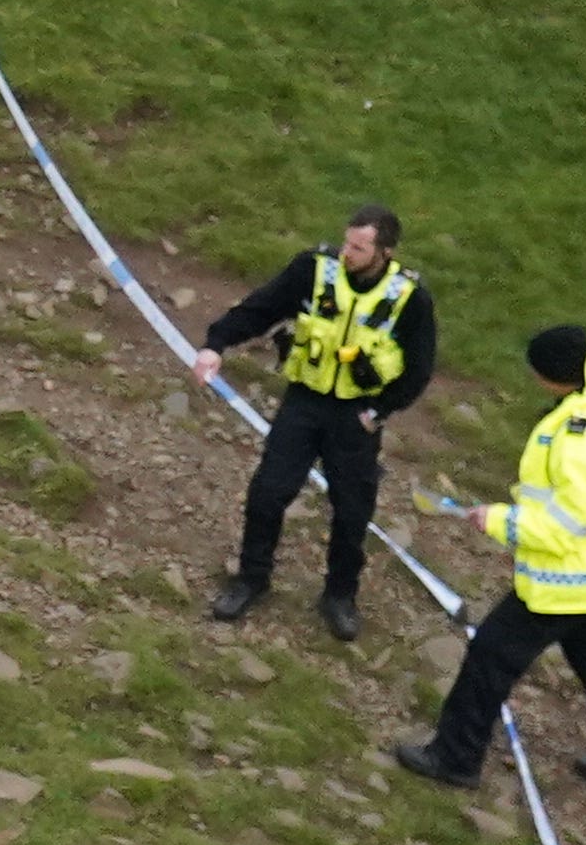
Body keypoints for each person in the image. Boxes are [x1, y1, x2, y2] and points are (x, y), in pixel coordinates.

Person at [393, 323, 586, 803]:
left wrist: (499, 521)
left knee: (491, 654)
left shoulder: (579, 436)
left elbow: (563, 525)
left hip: (569, 577)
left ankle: (455, 758)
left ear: (555, 377)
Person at [186, 206, 439, 637]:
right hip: (304, 402)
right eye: (347, 242)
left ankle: (340, 595)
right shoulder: (314, 270)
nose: (347, 253)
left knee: (352, 511)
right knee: (268, 492)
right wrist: (217, 343)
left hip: (356, 417)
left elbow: (419, 369)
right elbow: (261, 307)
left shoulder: (409, 298)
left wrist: (378, 412)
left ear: (385, 252)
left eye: (359, 248)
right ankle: (251, 578)